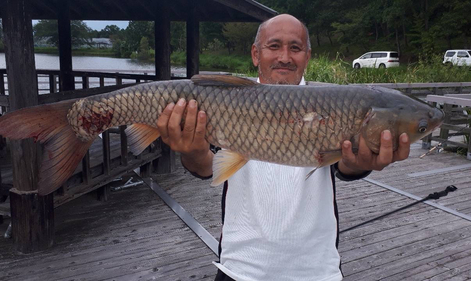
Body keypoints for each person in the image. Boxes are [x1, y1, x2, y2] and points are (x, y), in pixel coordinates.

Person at [157, 14, 410, 281]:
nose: (285, 57)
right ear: (256, 54)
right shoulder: (227, 100)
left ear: (307, 56)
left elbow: (343, 166)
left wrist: (361, 162)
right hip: (239, 268)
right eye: (274, 46)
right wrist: (191, 150)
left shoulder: (334, 104)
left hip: (316, 270)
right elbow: (208, 167)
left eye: (295, 48)